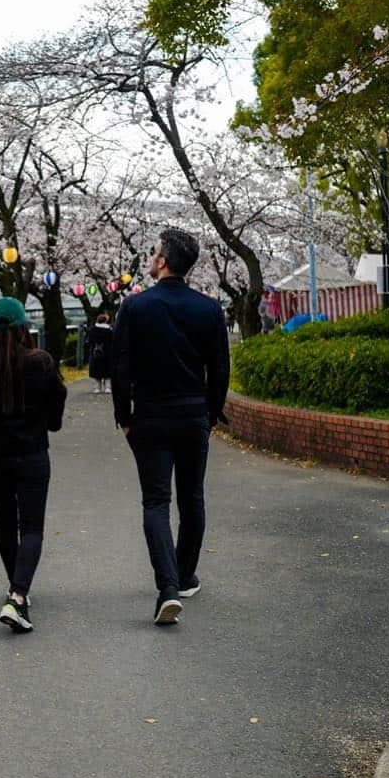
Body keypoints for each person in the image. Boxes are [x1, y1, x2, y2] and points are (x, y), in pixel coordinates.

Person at [112, 229, 230, 625]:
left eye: (154, 250)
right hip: (194, 414)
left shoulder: (135, 307)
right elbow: (220, 370)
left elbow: (120, 368)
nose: (151, 255)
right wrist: (210, 414)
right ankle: (184, 576)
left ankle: (167, 588)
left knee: (156, 501)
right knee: (192, 498)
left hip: (149, 416)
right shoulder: (209, 309)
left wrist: (123, 417)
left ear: (162, 261)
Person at [0, 297, 67, 634]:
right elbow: (55, 415)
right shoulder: (41, 363)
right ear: (25, 326)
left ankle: (15, 587)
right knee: (32, 526)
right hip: (33, 454)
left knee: (6, 523)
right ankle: (18, 594)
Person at [88, 312, 114, 393]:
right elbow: (113, 342)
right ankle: (108, 387)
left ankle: (97, 388)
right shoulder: (109, 331)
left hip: (96, 354)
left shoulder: (92, 330)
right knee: (107, 372)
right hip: (107, 354)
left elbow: (90, 341)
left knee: (97, 372)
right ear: (105, 321)